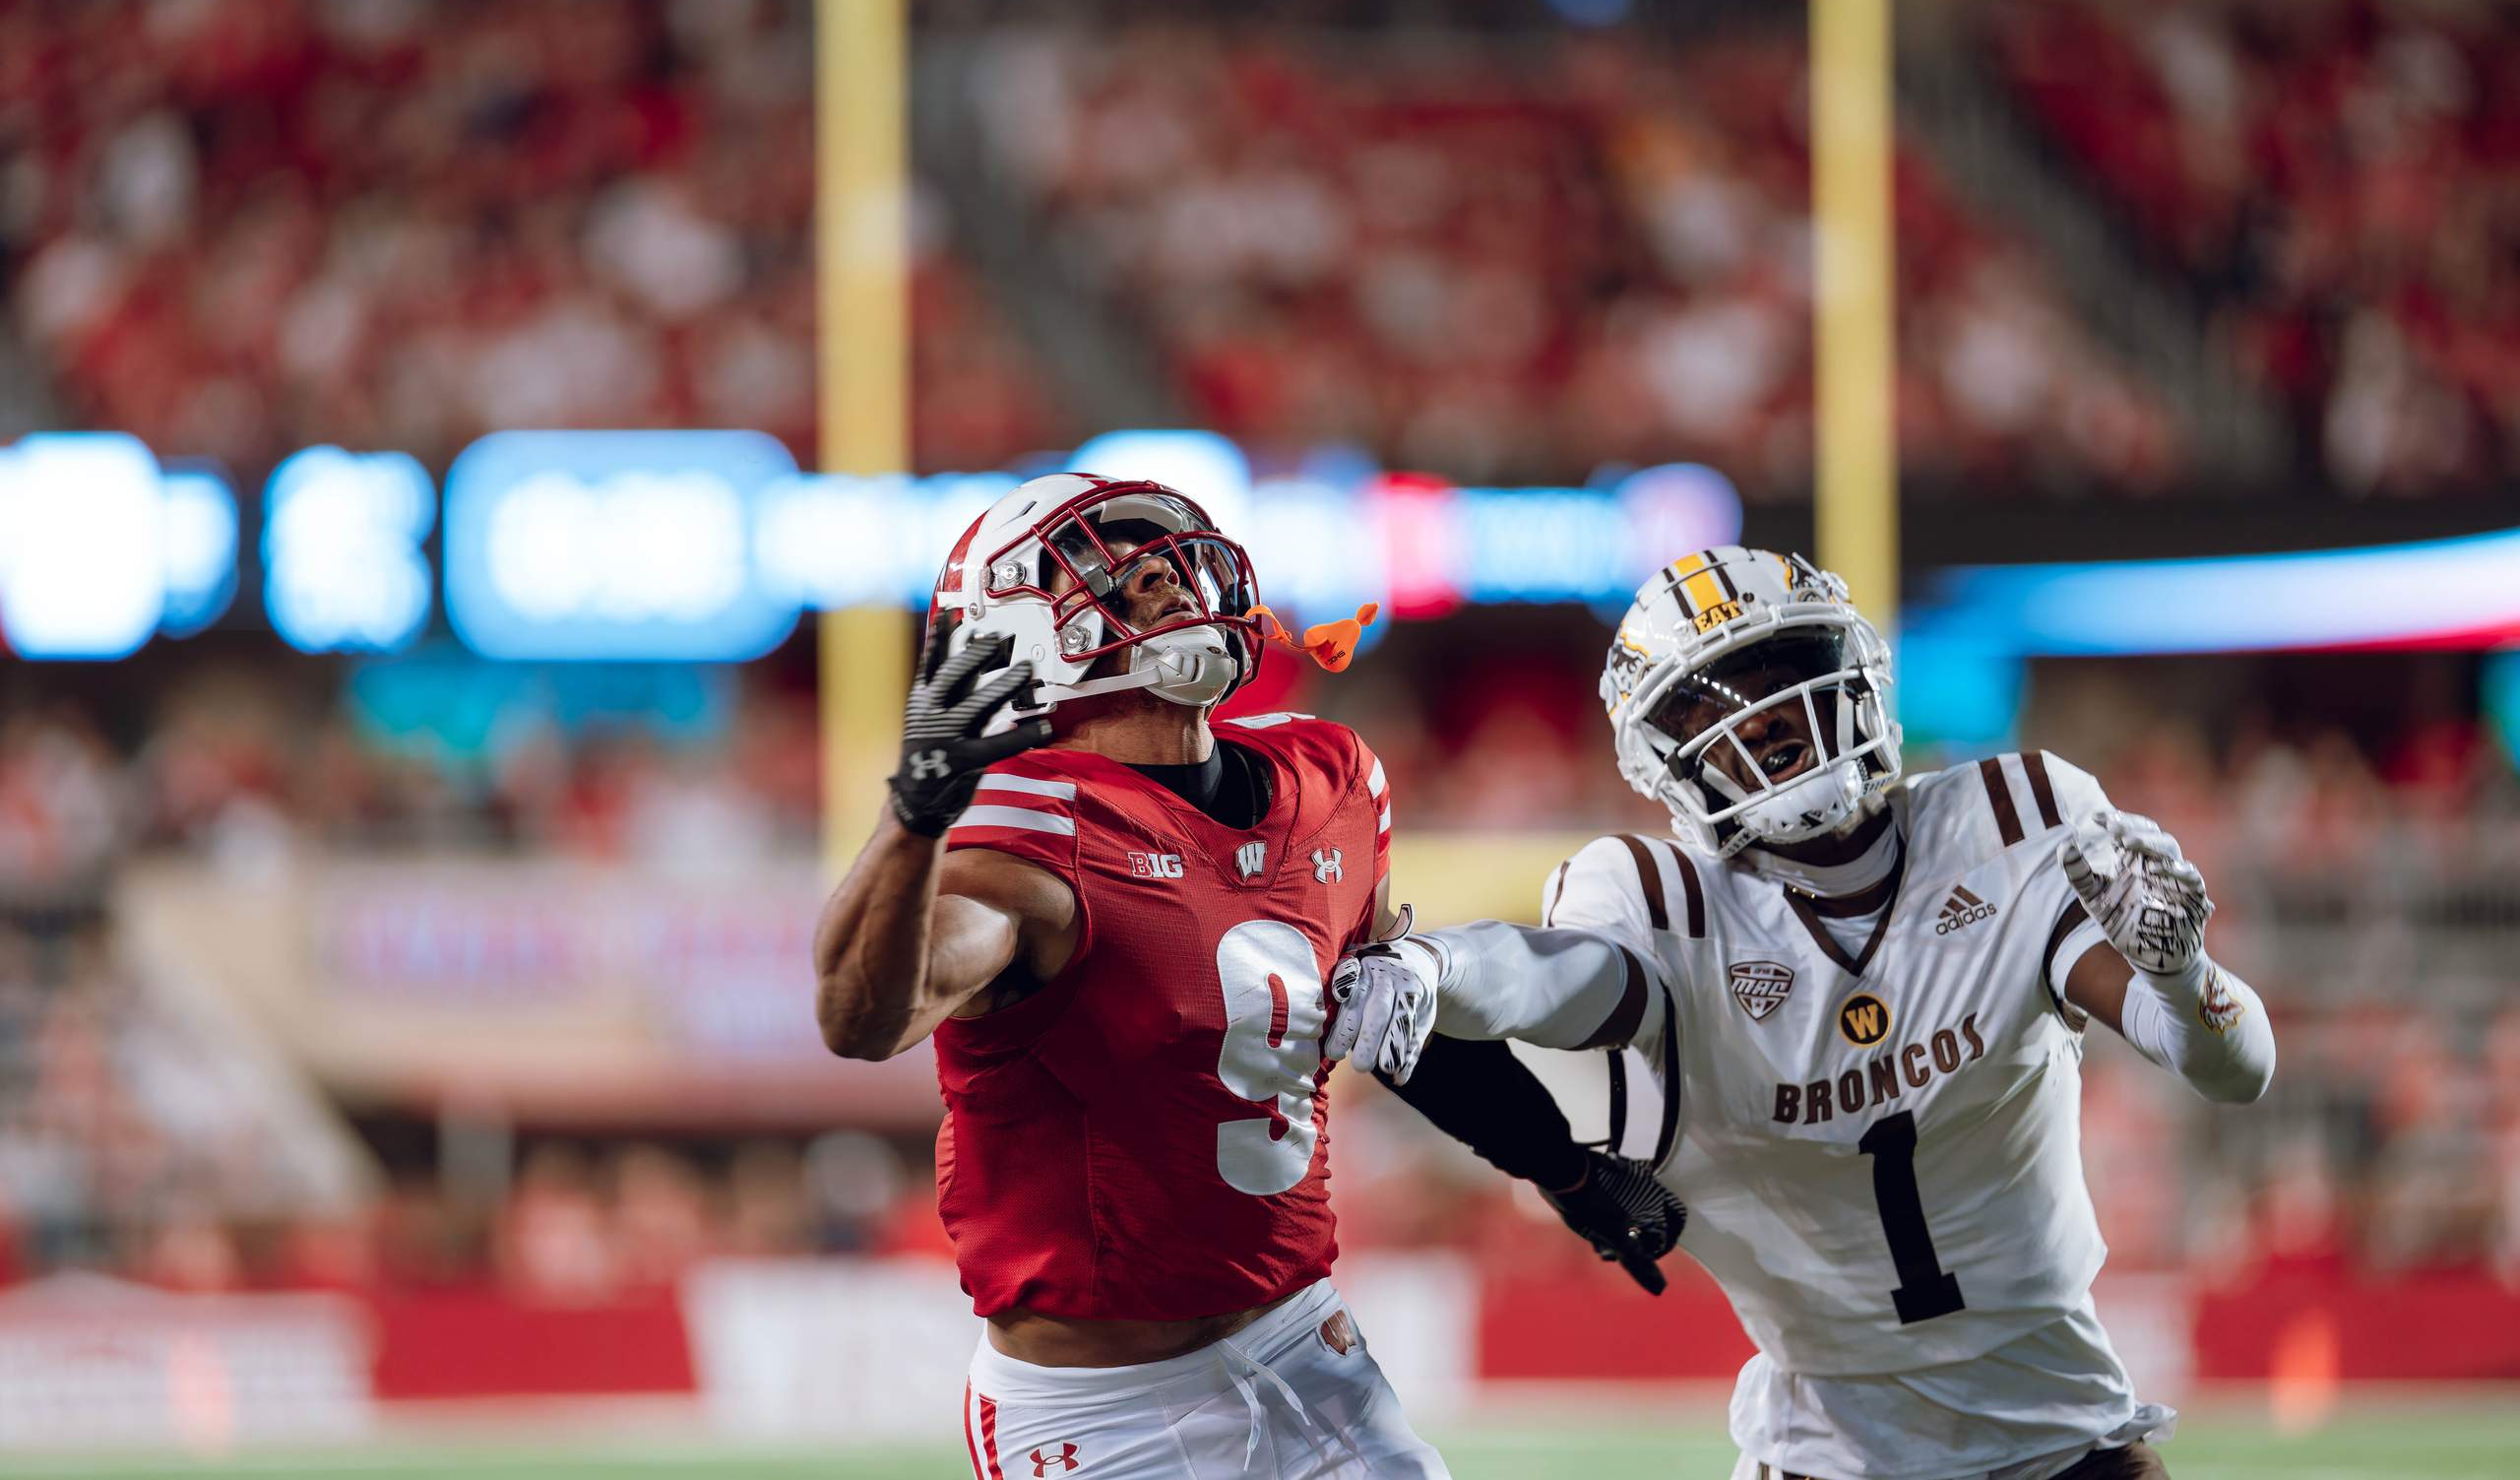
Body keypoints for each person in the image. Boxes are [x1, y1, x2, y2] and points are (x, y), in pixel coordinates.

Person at [1327, 547, 2277, 1480]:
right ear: (1666, 760)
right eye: (1711, 703)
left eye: (1784, 673)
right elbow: (1554, 979)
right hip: (1829, 1460)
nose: (1767, 719)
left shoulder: (2011, 817)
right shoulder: (1665, 902)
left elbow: (2235, 1069)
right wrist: (1433, 965)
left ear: (1851, 670)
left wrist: (2183, 972)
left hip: (2072, 1446)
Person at [812, 471, 1450, 1479]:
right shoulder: (1028, 828)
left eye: (1169, 560)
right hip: (1105, 1414)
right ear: (1013, 631)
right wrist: (913, 815)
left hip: (1309, 1346)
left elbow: (1380, 1014)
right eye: (1122, 573)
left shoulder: (1327, 778)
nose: (1166, 579)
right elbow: (861, 1016)